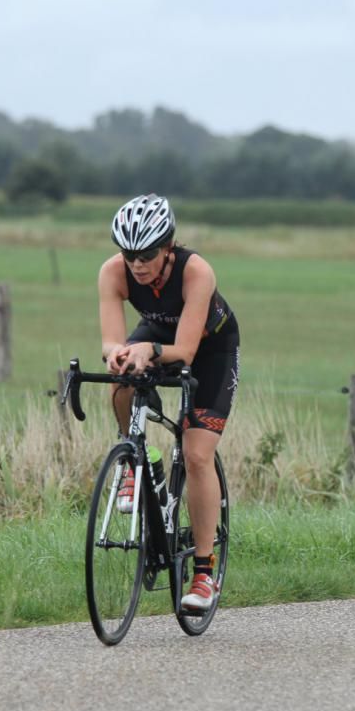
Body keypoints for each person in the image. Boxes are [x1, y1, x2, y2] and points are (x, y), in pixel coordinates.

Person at [99, 193, 240, 609]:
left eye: (146, 255)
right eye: (129, 255)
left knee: (196, 455)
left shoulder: (196, 272)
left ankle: (203, 574)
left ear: (168, 247)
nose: (137, 264)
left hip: (209, 351)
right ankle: (135, 459)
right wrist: (118, 353)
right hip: (158, 335)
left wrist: (151, 351)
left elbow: (186, 352)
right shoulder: (113, 272)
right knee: (121, 376)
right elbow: (110, 341)